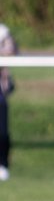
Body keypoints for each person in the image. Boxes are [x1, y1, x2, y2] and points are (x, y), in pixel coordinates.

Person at [0, 24, 15, 182]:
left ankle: (3, 165)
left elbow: (12, 51)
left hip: (0, 93)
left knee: (3, 132)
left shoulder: (3, 31)